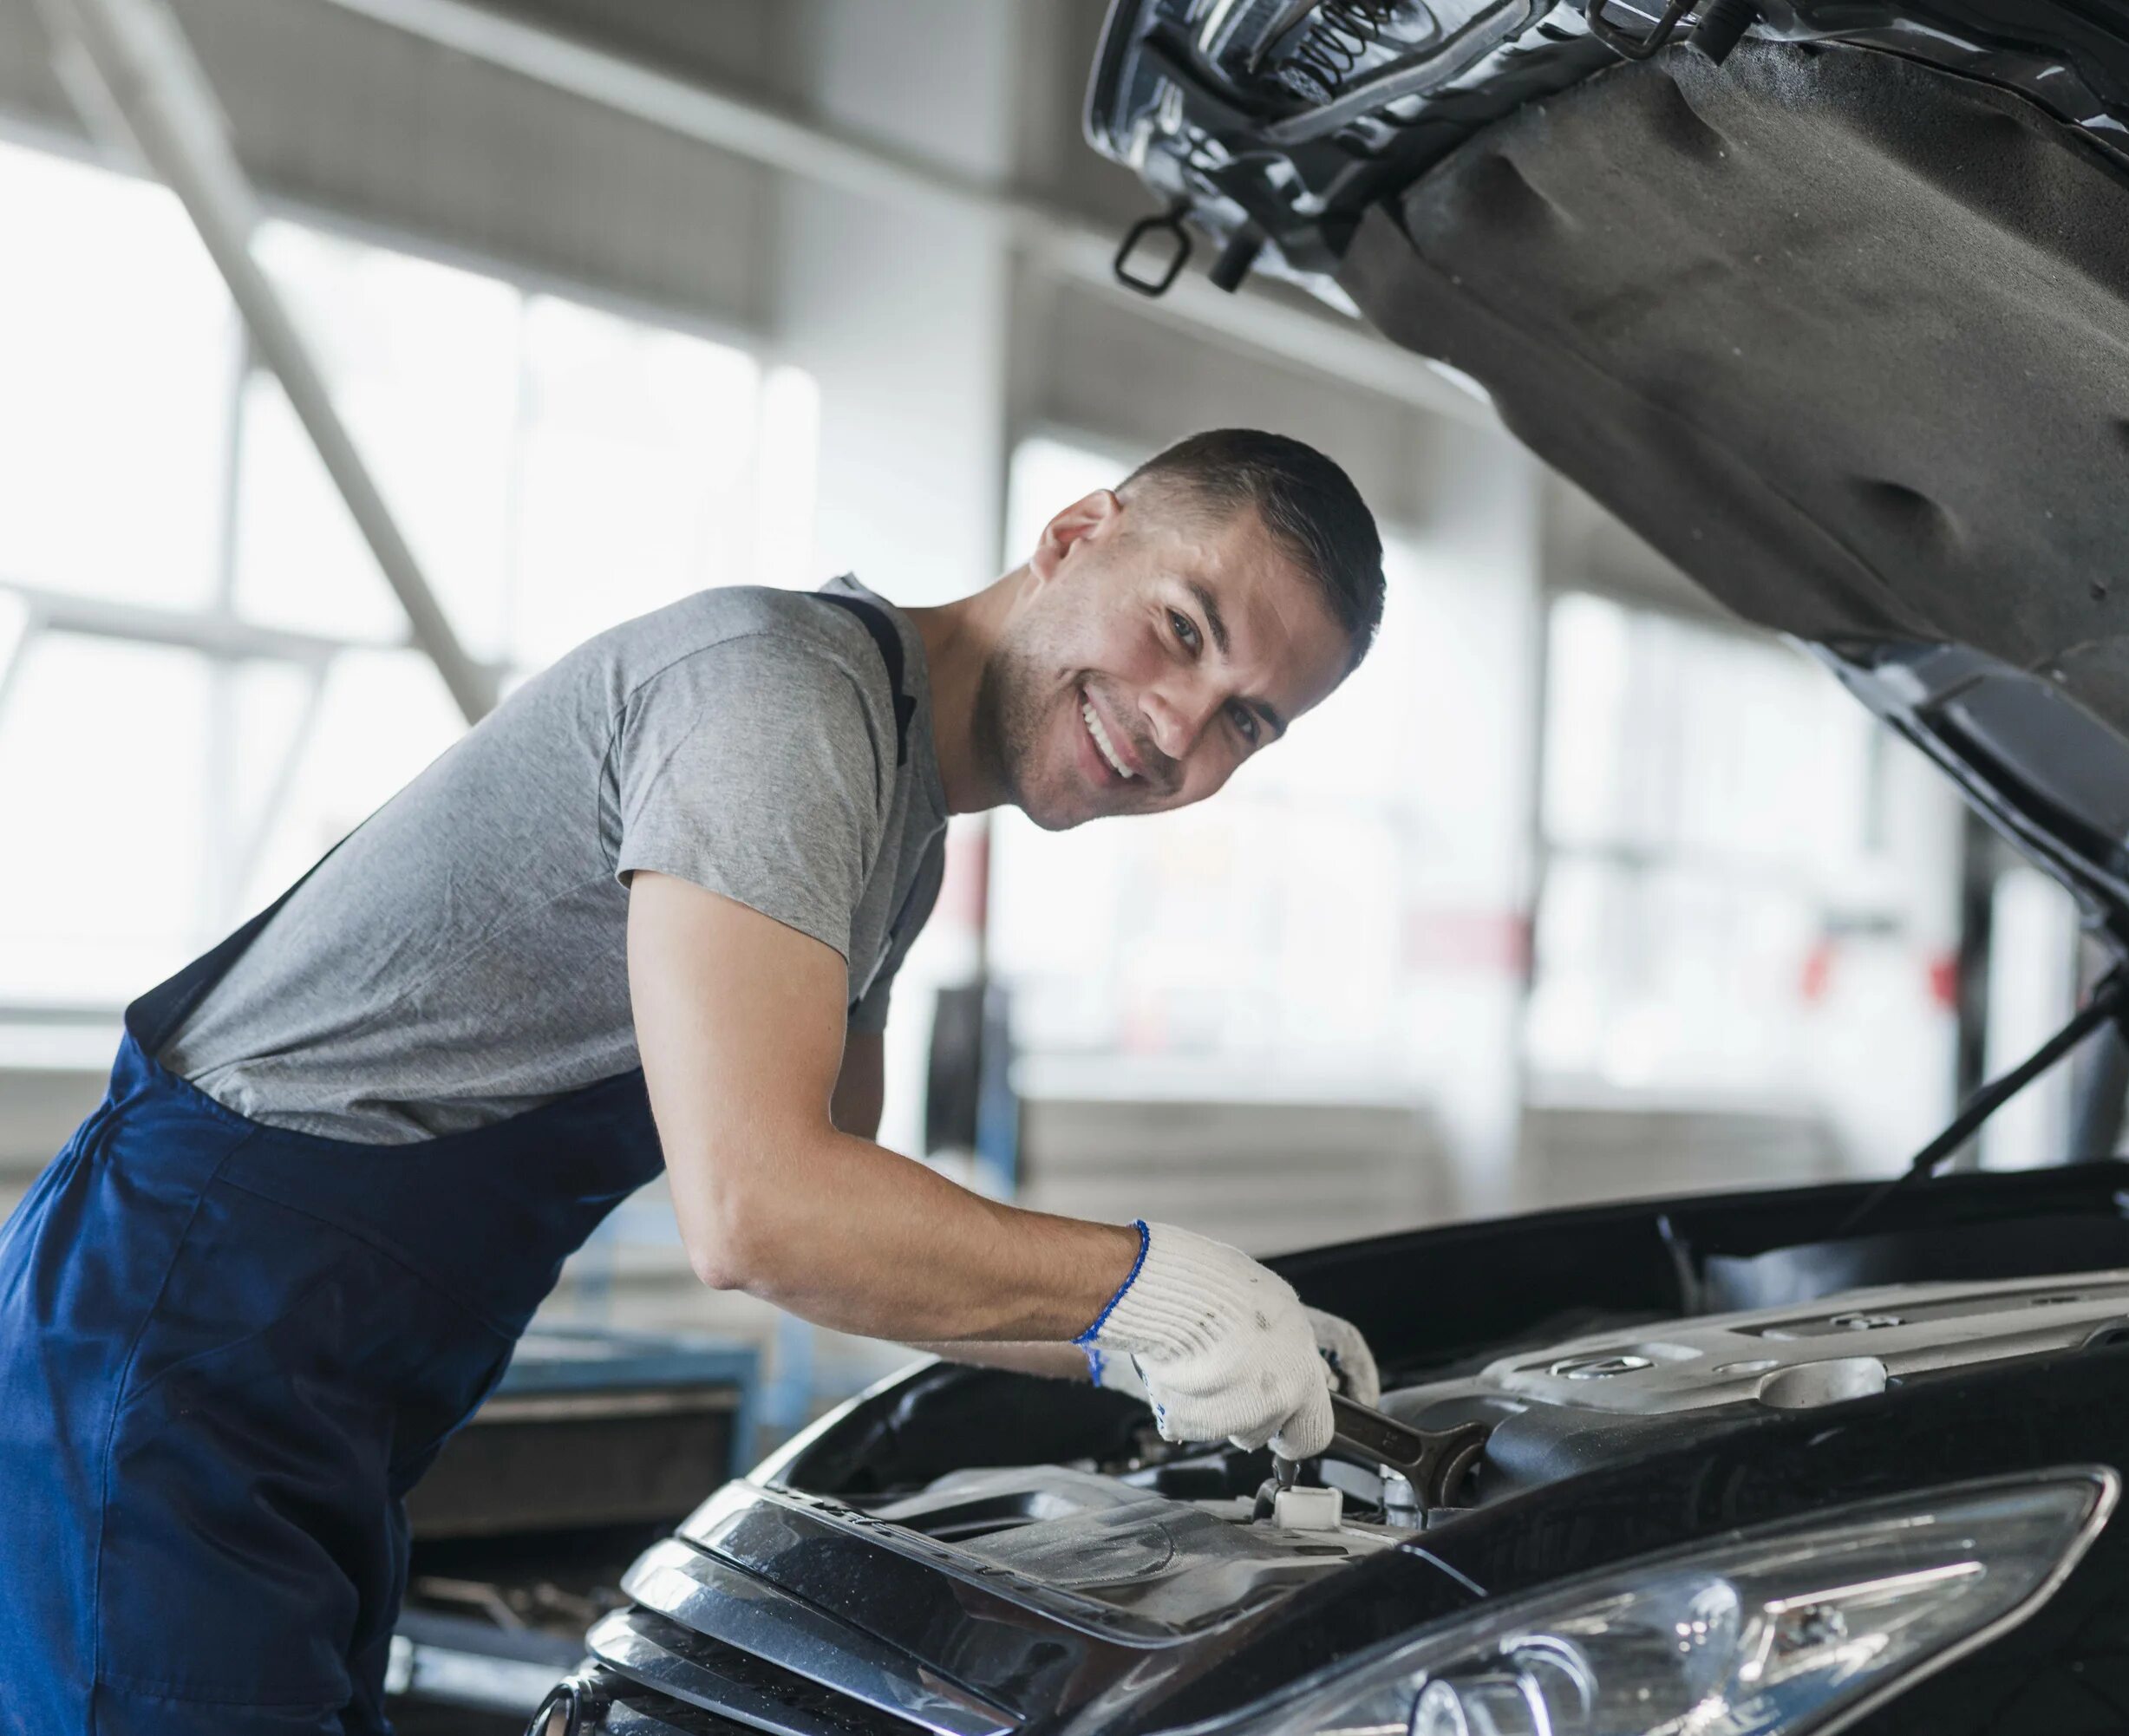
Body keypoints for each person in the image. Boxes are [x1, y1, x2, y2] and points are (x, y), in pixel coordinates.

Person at [0, 427, 1387, 1734]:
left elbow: (853, 1244)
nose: (1177, 725)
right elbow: (765, 1210)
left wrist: (1175, 1352)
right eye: (1183, 630)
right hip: (181, 1328)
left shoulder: (892, 821)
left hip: (315, 1386)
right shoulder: (781, 701)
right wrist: (1154, 1285)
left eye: (1246, 723)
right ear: (1077, 533)